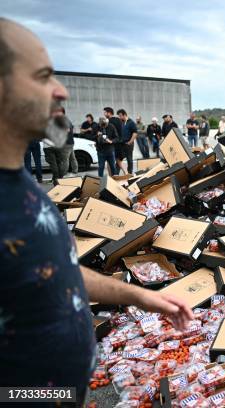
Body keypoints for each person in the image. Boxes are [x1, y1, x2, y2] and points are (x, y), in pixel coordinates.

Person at [0, 18, 194, 407]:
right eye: (42, 77)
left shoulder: (22, 187)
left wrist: (141, 297)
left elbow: (56, 270)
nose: (61, 90)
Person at [42, 107, 72, 184]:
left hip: (52, 146)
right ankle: (58, 180)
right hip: (53, 146)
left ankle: (57, 181)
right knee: (57, 164)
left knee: (57, 165)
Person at [116, 108, 137, 174]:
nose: (119, 117)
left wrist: (130, 142)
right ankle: (116, 174)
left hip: (128, 144)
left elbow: (135, 133)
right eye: (118, 116)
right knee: (119, 159)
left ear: (124, 115)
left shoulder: (131, 122)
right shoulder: (120, 122)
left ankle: (130, 173)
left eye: (120, 115)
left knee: (129, 159)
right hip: (121, 144)